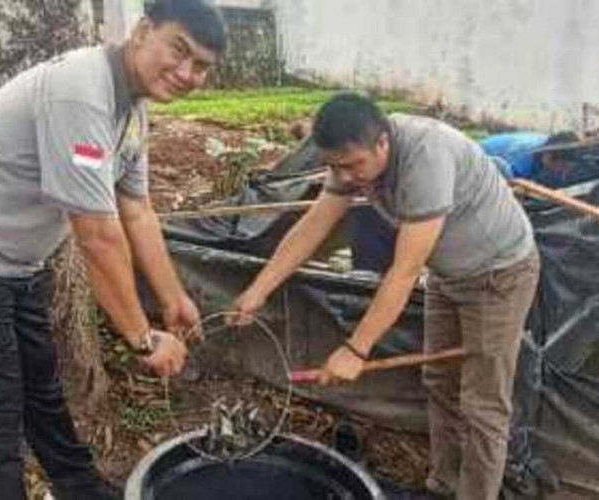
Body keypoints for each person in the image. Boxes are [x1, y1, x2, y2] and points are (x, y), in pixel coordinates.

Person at [0, 1, 225, 498]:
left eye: (201, 66)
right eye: (179, 51)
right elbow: (96, 234)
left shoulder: (131, 110)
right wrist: (143, 338)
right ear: (142, 32)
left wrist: (172, 298)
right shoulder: (81, 91)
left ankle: (81, 490)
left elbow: (136, 210)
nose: (186, 73)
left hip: (16, 264)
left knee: (43, 396)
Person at [231, 93, 540, 500]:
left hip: (499, 275)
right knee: (439, 381)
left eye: (352, 164)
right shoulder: (349, 163)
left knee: (483, 404)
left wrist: (356, 349)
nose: (346, 175)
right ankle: (444, 485)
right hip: (449, 274)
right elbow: (313, 225)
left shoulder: (425, 156)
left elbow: (405, 270)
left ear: (383, 143)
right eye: (335, 166)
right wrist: (258, 290)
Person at [479, 131, 582, 188]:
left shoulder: (550, 146)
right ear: (549, 156)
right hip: (482, 157)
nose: (564, 173)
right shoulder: (525, 156)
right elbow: (513, 184)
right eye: (562, 167)